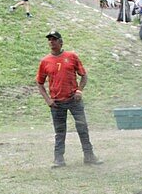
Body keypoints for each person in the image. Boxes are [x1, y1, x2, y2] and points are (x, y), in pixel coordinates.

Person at [36, 31, 103, 168]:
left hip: (74, 100)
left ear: (61, 42)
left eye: (54, 39)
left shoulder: (71, 57)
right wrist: (48, 100)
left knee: (82, 127)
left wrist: (79, 90)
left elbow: (83, 76)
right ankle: (58, 159)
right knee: (60, 131)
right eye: (49, 40)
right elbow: (39, 82)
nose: (51, 42)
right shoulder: (45, 61)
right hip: (56, 102)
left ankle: (89, 156)